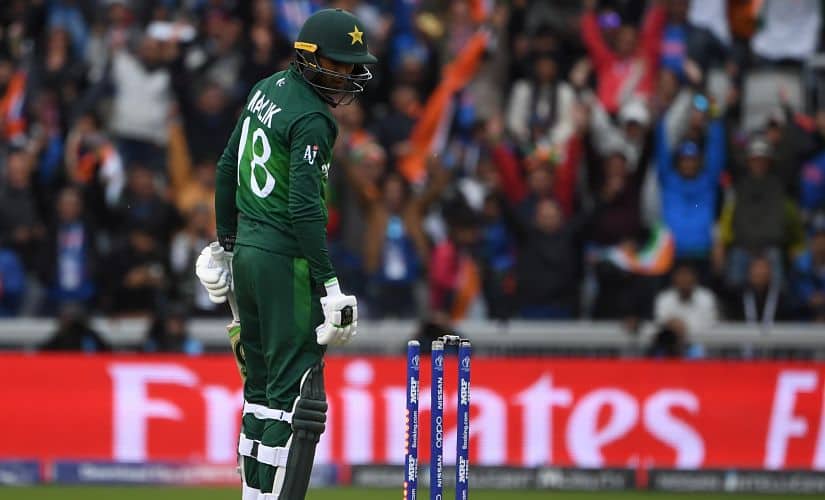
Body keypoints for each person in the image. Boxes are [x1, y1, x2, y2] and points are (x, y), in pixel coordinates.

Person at [195, 9, 375, 499]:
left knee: (258, 392)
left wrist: (228, 244)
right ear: (310, 59)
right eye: (339, 65)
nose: (348, 75)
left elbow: (226, 166)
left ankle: (255, 495)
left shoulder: (267, 87)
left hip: (251, 255)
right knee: (290, 395)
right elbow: (303, 207)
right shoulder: (314, 117)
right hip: (283, 261)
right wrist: (330, 284)